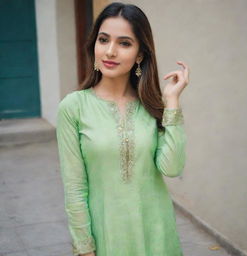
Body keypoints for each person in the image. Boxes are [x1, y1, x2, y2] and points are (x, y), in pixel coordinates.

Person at [56, 2, 189, 256]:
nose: (110, 51)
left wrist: (171, 102)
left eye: (124, 43)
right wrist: (84, 247)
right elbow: (74, 187)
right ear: (94, 45)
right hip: (108, 237)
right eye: (103, 40)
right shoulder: (73, 107)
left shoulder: (153, 106)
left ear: (140, 54)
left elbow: (171, 168)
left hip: (157, 234)